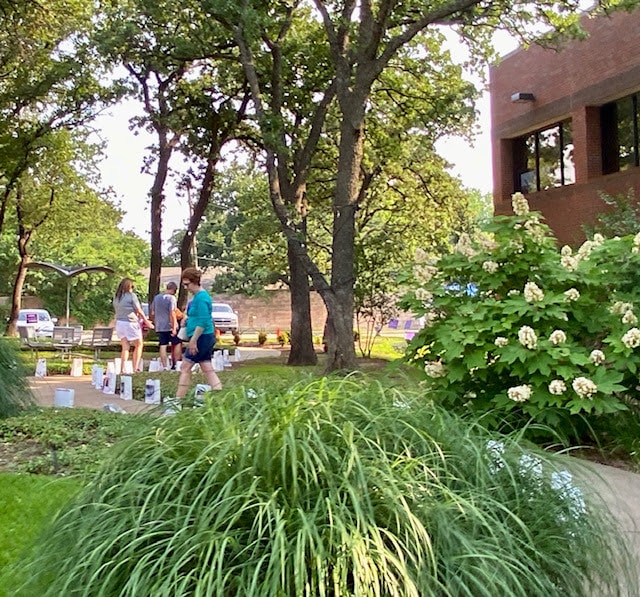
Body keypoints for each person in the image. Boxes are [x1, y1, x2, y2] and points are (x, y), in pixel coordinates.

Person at [176, 267, 222, 399]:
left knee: (185, 367)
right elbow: (197, 317)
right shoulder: (197, 297)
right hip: (202, 337)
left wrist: (193, 341)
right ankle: (219, 394)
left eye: (187, 284)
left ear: (194, 282)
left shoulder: (202, 298)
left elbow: (203, 321)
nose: (185, 288)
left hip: (201, 338)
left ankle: (178, 400)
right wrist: (187, 320)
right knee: (207, 368)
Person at [113, 278, 153, 374]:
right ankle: (135, 368)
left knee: (125, 346)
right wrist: (147, 321)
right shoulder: (131, 296)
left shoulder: (117, 297)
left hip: (120, 323)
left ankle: (122, 369)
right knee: (139, 344)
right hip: (131, 322)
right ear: (129, 287)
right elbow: (139, 310)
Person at [149, 281, 182, 370]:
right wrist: (174, 326)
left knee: (163, 345)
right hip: (169, 325)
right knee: (177, 343)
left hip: (160, 325)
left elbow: (153, 312)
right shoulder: (171, 298)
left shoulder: (156, 298)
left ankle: (164, 366)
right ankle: (176, 364)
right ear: (174, 290)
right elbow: (172, 313)